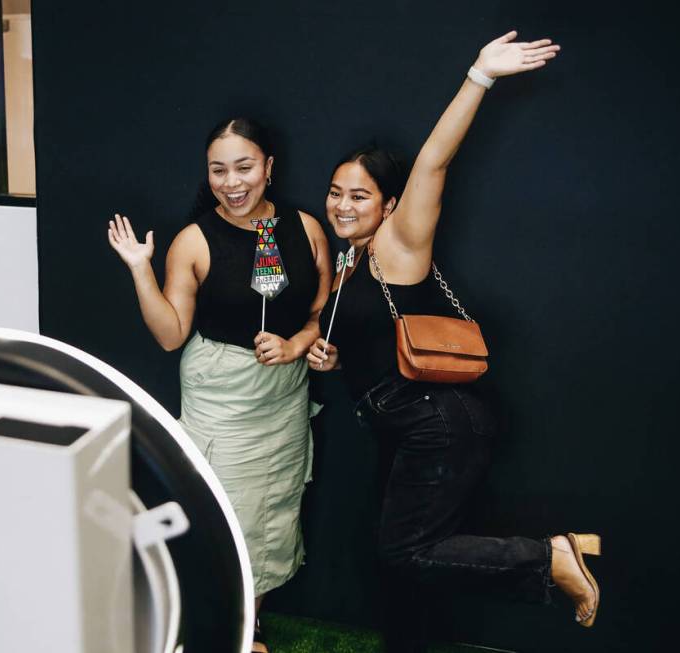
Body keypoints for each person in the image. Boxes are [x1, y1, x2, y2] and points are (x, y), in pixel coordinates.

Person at [306, 32, 601, 651]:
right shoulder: (354, 263)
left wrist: (479, 76)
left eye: (359, 195)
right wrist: (331, 355)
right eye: (335, 192)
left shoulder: (398, 243)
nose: (342, 205)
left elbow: (433, 162)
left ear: (390, 205)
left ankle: (549, 558)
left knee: (407, 550)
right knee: (401, 562)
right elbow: (366, 340)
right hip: (404, 422)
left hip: (434, 420)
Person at [108, 118, 331, 653]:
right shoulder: (194, 240)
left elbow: (322, 311)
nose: (232, 182)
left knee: (274, 507)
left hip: (285, 394)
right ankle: (206, 623)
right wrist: (141, 269)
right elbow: (170, 335)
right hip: (222, 396)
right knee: (225, 509)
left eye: (244, 167)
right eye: (219, 170)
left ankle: (247, 627)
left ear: (269, 168)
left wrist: (299, 344)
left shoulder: (305, 228)